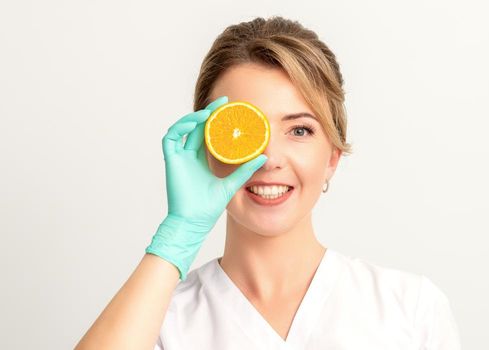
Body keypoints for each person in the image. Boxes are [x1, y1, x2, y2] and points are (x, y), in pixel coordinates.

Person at [75, 16, 461, 350]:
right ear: (206, 148)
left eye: (299, 130)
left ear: (332, 156)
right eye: (245, 131)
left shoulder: (409, 309)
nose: (270, 160)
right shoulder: (159, 321)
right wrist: (178, 234)